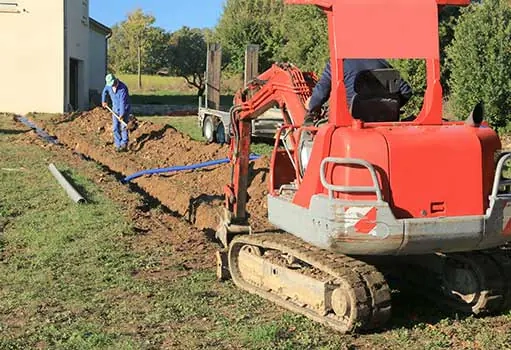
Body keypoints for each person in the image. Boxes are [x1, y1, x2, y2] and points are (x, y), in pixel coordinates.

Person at [306, 59, 413, 122]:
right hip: (384, 122)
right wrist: (389, 107)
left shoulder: (338, 64)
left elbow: (320, 94)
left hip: (352, 123)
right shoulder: (380, 61)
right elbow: (406, 91)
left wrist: (312, 106)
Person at [102, 73, 132, 152]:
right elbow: (104, 92)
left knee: (123, 126)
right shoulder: (108, 86)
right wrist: (104, 101)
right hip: (114, 109)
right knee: (115, 127)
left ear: (115, 80)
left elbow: (123, 102)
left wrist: (122, 114)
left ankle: (124, 144)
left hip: (124, 109)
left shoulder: (123, 88)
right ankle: (117, 144)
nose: (112, 85)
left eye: (113, 83)